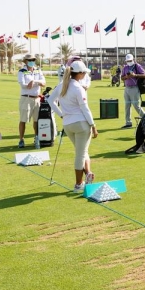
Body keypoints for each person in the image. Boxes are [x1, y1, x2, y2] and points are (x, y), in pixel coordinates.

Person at [48, 60, 98, 192]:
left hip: (68, 125)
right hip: (81, 125)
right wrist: (93, 125)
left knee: (82, 151)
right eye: (84, 73)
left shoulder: (62, 85)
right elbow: (85, 108)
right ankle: (78, 184)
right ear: (80, 74)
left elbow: (50, 100)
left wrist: (61, 115)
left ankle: (87, 173)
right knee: (80, 155)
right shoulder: (78, 88)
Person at [17, 54, 46, 149]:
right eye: (30, 60)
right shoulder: (22, 71)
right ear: (25, 61)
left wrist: (34, 82)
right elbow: (24, 85)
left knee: (36, 120)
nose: (32, 61)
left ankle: (36, 137)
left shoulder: (38, 70)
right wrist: (37, 82)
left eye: (33, 59)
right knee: (23, 120)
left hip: (37, 98)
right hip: (26, 98)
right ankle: (21, 139)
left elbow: (44, 83)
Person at [120, 53, 145, 128]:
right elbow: (122, 78)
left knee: (136, 106)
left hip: (135, 88)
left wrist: (135, 75)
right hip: (127, 88)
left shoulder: (137, 66)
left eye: (130, 60)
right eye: (127, 61)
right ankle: (128, 123)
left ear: (133, 59)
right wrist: (127, 77)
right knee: (127, 106)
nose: (129, 62)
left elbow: (144, 75)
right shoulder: (125, 68)